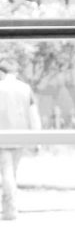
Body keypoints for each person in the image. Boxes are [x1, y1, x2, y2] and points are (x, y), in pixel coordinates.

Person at [0, 56, 42, 221]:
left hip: (1, 137)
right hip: (20, 136)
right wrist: (37, 140)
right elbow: (33, 115)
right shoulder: (25, 88)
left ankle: (10, 209)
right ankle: (10, 206)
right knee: (11, 173)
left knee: (7, 173)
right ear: (15, 72)